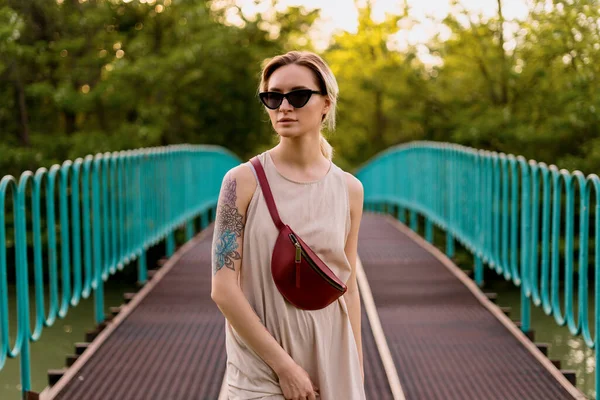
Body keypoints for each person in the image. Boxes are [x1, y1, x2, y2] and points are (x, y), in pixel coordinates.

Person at [211, 50, 366, 400]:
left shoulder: (349, 189)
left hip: (331, 355)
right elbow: (223, 288)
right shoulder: (241, 182)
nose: (283, 106)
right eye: (273, 96)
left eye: (298, 96)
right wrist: (285, 368)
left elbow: (349, 288)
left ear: (326, 103)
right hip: (260, 368)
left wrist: (354, 367)